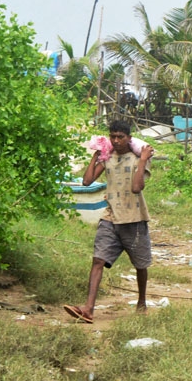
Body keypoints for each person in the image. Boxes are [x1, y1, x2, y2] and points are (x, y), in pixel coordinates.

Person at [64, 120, 153, 323]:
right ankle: (88, 309)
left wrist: (143, 160)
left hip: (134, 219)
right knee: (98, 260)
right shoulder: (108, 158)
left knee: (140, 265)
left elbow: (137, 187)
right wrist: (97, 155)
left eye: (120, 137)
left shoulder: (139, 158)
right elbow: (87, 181)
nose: (116, 140)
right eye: (112, 136)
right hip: (110, 217)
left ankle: (142, 302)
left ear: (129, 139)